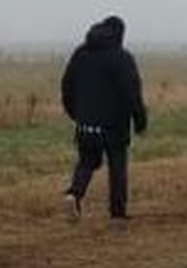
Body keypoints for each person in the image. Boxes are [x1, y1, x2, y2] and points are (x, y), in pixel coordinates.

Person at [60, 15, 147, 221]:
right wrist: (140, 121)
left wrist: (76, 114)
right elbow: (132, 92)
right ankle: (117, 213)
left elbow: (67, 86)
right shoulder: (122, 57)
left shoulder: (80, 54)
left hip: (86, 124)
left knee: (87, 161)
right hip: (115, 124)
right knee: (117, 166)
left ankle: (74, 193)